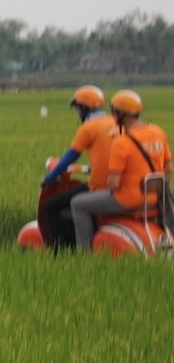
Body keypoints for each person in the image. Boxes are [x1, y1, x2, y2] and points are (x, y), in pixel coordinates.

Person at [70, 90, 166, 249]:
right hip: (154, 197)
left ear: (122, 115)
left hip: (127, 199)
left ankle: (83, 254)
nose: (113, 117)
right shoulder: (158, 132)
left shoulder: (121, 142)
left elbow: (113, 184)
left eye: (114, 113)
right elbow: (168, 168)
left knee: (78, 203)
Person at [36, 86, 114, 249]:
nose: (78, 113)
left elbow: (71, 156)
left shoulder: (88, 127)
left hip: (99, 186)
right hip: (117, 182)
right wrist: (86, 169)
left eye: (78, 109)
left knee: (50, 207)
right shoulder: (114, 121)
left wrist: (49, 178)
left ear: (84, 108)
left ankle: (61, 252)